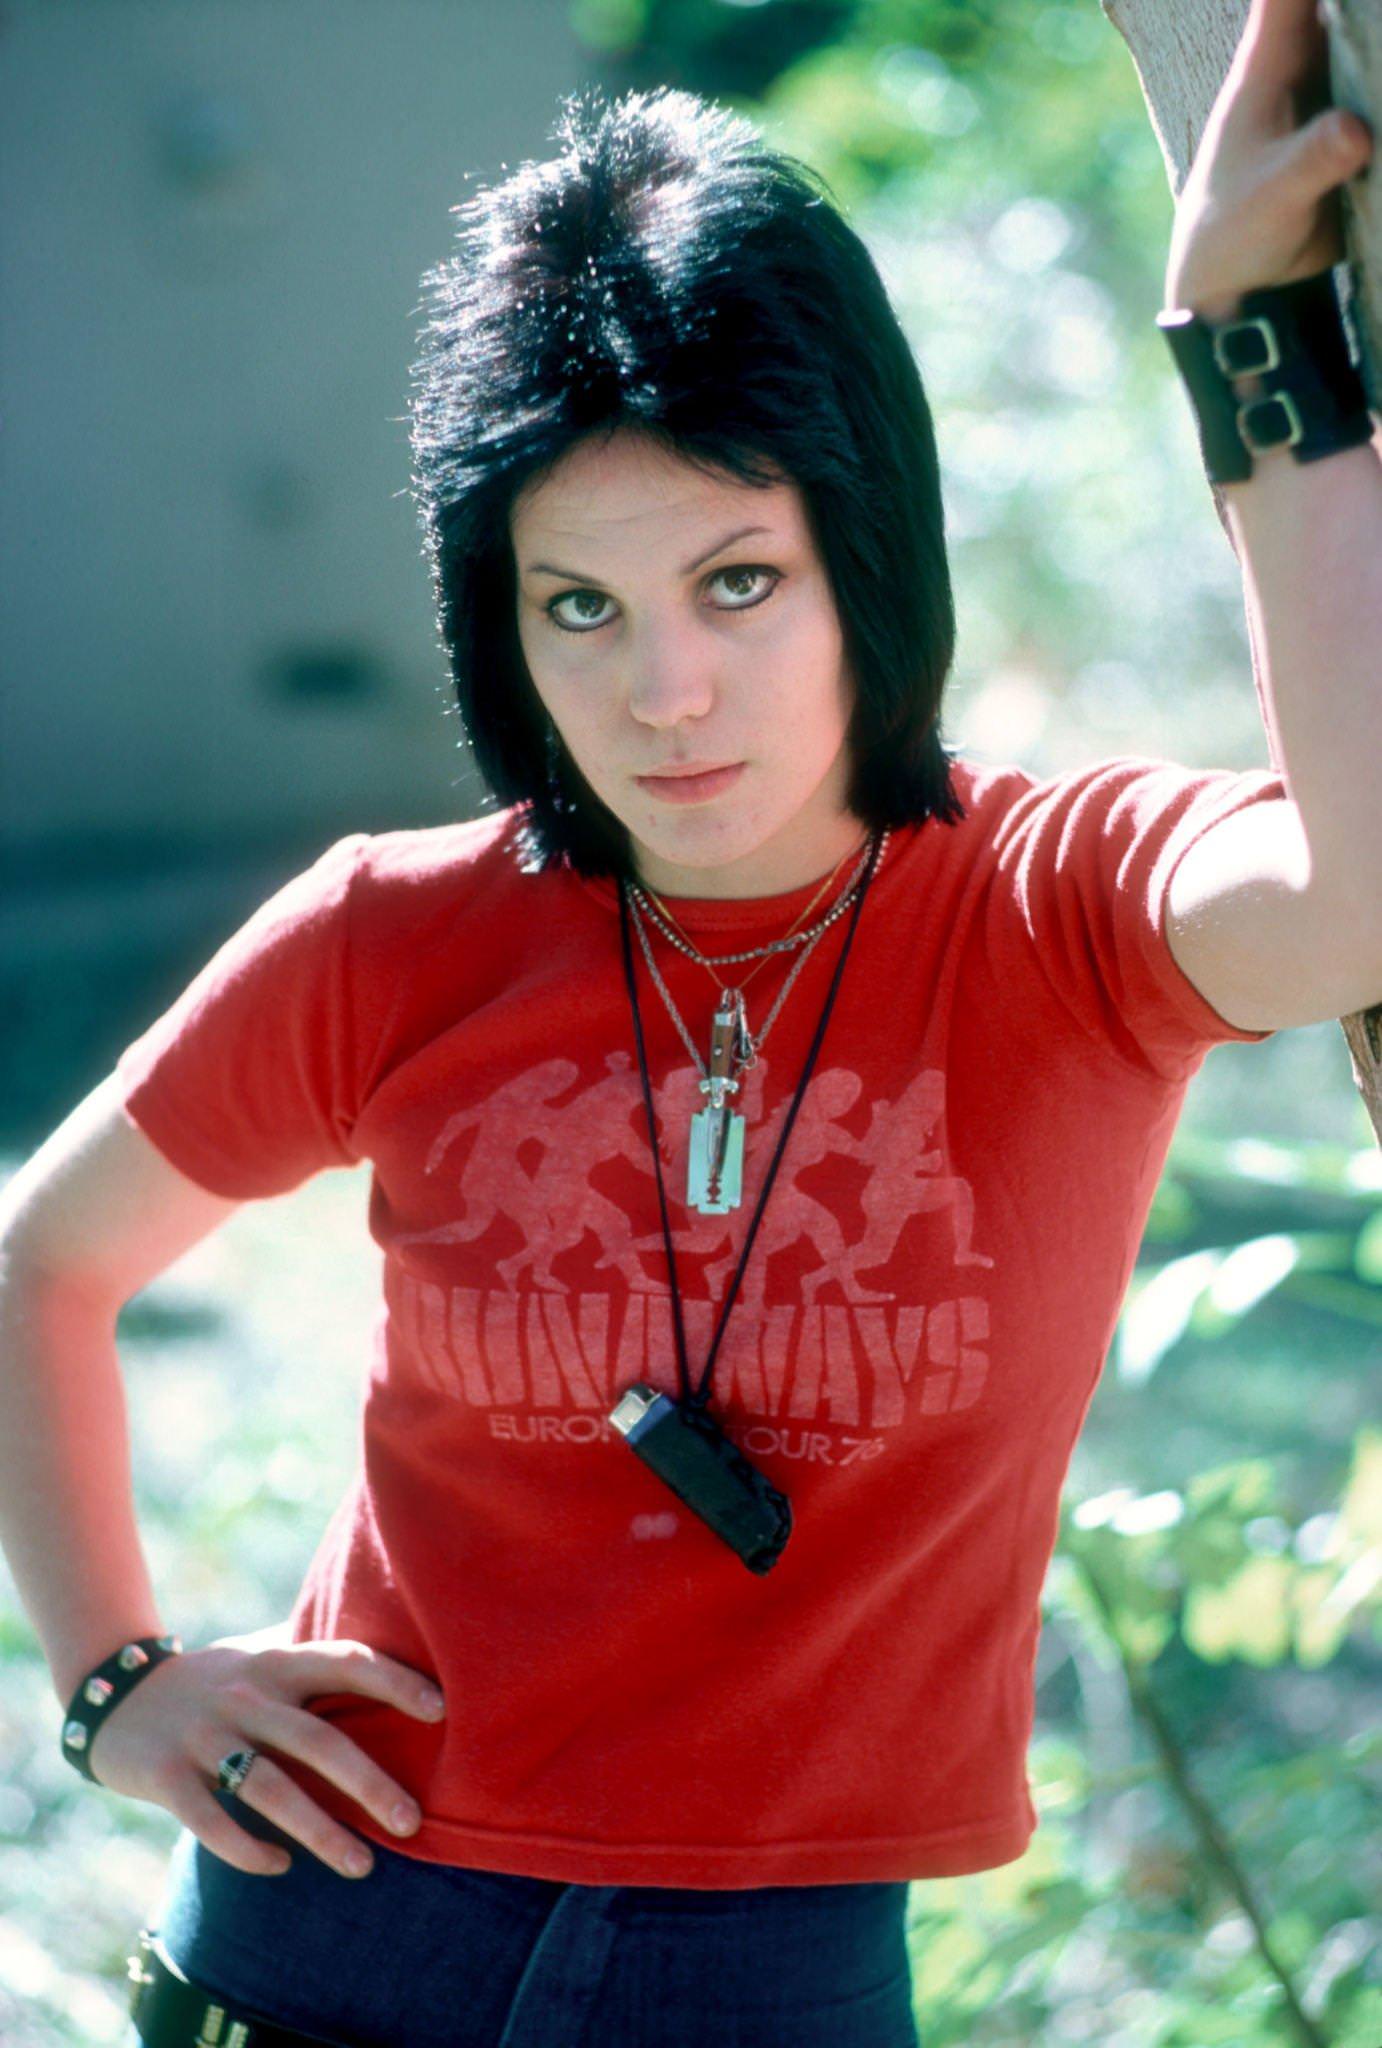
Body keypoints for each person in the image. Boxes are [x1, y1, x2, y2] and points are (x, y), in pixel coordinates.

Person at [2, 46, 1374, 2048]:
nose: (661, 691)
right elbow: (43, 1259)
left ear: (866, 557)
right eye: (578, 604)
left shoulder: (1059, 906)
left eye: (740, 581)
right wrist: (117, 1684)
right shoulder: (402, 931)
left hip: (776, 1973)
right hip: (326, 1932)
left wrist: (1254, 346)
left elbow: (1356, 894)